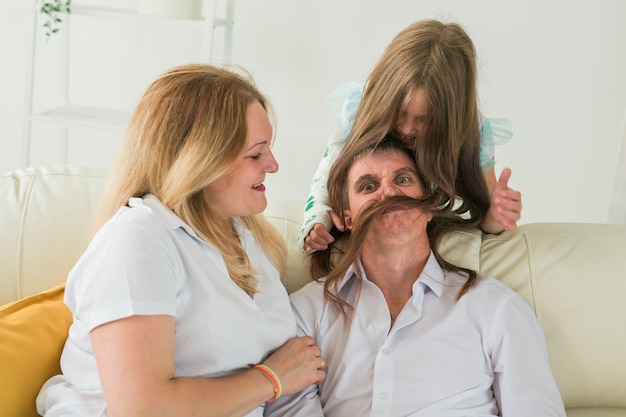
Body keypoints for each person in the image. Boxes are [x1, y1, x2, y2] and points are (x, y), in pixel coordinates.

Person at [36, 64, 326, 417]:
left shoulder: (250, 238)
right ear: (201, 161)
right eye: (255, 153)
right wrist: (270, 379)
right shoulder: (138, 240)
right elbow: (142, 408)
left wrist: (281, 384)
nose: (273, 165)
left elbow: (292, 388)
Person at [267, 136, 566, 416]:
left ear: (430, 207)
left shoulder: (496, 308)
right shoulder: (305, 314)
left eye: (403, 179)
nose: (389, 192)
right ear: (349, 220)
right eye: (368, 187)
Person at [299, 19, 522, 254]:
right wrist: (316, 219)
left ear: (450, 120)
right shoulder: (361, 107)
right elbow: (326, 175)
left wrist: (497, 215)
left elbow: (486, 213)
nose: (406, 128)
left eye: (424, 119)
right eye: (400, 113)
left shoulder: (472, 135)